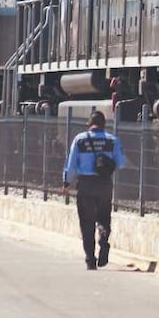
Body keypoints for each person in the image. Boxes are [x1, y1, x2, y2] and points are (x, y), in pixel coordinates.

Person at [62, 110, 127, 270]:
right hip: (104, 184)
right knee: (104, 218)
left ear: (89, 125)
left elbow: (70, 165)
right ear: (104, 125)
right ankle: (103, 241)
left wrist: (66, 182)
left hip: (85, 184)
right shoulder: (113, 140)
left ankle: (90, 259)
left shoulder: (80, 140)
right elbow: (121, 163)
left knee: (87, 223)